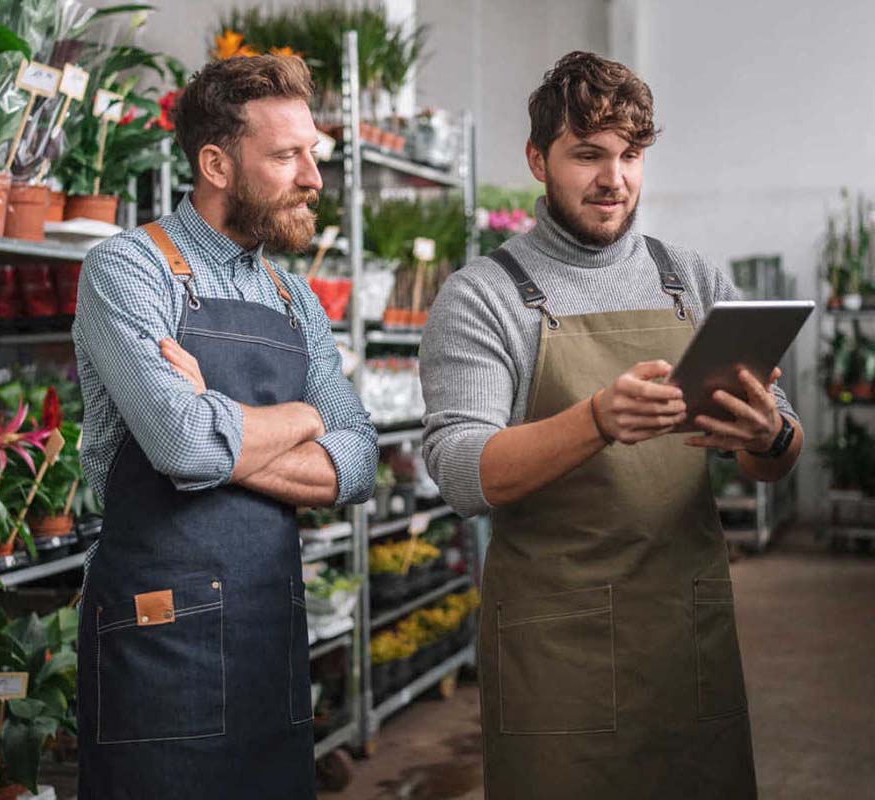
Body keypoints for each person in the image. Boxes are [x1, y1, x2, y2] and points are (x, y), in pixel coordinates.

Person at [420, 51, 802, 799]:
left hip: (686, 638)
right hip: (558, 650)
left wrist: (766, 437)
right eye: (587, 154)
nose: (614, 178)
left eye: (630, 155)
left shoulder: (690, 280)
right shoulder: (482, 297)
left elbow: (779, 454)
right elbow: (464, 473)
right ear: (538, 159)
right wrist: (595, 419)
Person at [72, 54, 377, 799]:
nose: (312, 177)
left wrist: (222, 424)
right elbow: (178, 445)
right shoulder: (128, 270)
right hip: (159, 639)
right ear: (215, 162)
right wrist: (305, 419)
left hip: (268, 632)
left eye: (313, 153)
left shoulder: (294, 298)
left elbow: (359, 461)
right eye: (286, 156)